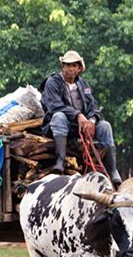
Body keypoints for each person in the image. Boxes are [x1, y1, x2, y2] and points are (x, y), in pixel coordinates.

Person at [40, 50, 122, 187]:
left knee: (105, 126)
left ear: (79, 68)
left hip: (81, 126)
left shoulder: (84, 85)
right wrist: (78, 115)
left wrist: (91, 120)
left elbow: (93, 107)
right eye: (67, 65)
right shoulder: (52, 82)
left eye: (73, 65)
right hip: (59, 125)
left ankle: (112, 170)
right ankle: (60, 161)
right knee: (59, 117)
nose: (70, 69)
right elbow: (54, 106)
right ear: (62, 67)